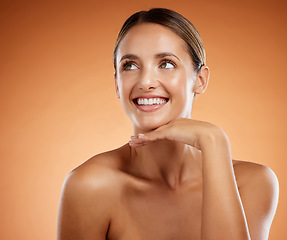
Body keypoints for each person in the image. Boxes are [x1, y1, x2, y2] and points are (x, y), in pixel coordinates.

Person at [57, 8, 279, 240]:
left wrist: (215, 141)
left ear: (200, 80)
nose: (145, 82)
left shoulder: (252, 183)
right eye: (130, 66)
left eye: (166, 63)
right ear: (117, 84)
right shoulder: (90, 187)